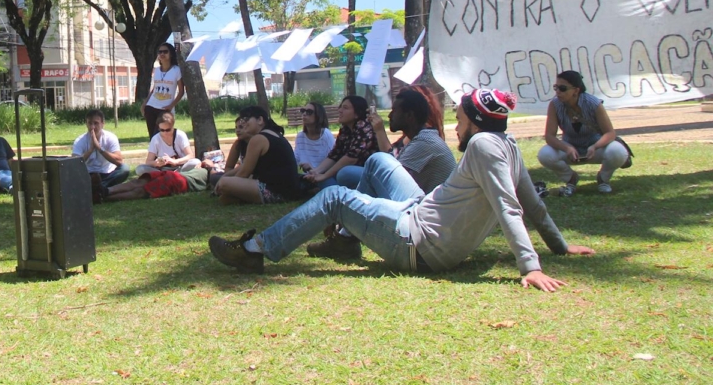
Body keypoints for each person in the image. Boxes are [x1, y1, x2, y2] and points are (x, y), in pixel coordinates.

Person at [208, 89, 596, 292]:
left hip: (418, 243)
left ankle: (255, 251)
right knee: (379, 162)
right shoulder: (507, 145)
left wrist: (531, 267)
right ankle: (345, 239)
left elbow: (512, 208)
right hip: (421, 213)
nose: (456, 129)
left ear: (475, 123)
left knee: (334, 196)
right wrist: (559, 246)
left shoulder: (481, 147)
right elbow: (533, 205)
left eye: (459, 121)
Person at [306, 88, 457, 259]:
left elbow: (386, 177)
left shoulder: (425, 142)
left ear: (409, 115)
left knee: (360, 169)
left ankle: (343, 235)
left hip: (428, 225)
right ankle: (344, 236)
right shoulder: (419, 138)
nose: (390, 116)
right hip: (427, 215)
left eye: (395, 110)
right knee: (344, 179)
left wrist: (348, 210)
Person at [537, 70, 630, 195]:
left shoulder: (593, 103)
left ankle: (603, 179)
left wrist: (595, 146)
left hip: (595, 148)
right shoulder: (554, 105)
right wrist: (567, 148)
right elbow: (549, 136)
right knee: (545, 154)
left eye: (562, 88)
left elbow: (610, 133)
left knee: (617, 151)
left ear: (576, 90)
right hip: (571, 149)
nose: (558, 92)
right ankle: (571, 179)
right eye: (556, 87)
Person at [213, 106, 303, 205]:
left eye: (246, 119)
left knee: (224, 184)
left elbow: (243, 174)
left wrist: (230, 186)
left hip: (276, 192)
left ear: (260, 120)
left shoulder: (258, 139)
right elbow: (245, 169)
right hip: (289, 191)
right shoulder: (273, 134)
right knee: (225, 189)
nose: (243, 123)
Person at [302, 96, 379, 190]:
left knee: (344, 172)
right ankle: (338, 195)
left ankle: (339, 195)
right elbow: (335, 154)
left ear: (357, 114)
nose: (340, 110)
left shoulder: (365, 128)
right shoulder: (345, 129)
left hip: (370, 174)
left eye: (345, 108)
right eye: (340, 107)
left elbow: (351, 158)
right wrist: (316, 172)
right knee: (321, 178)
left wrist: (325, 175)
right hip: (351, 176)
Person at [73, 109, 132, 200]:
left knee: (125, 169)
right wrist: (90, 150)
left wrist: (100, 149)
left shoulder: (110, 137)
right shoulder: (80, 140)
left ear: (102, 124)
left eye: (96, 123)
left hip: (107, 173)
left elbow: (119, 161)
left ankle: (96, 190)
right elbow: (73, 164)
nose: (92, 127)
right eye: (90, 123)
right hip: (88, 174)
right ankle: (101, 190)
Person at [142, 42, 185, 138]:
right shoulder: (156, 70)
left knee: (161, 135)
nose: (162, 54)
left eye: (165, 51)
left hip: (165, 109)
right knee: (153, 137)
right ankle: (155, 153)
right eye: (160, 52)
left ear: (171, 54)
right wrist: (145, 104)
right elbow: (154, 89)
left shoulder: (176, 70)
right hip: (151, 107)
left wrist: (171, 106)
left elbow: (181, 91)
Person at [135, 111, 195, 175]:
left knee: (195, 162)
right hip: (162, 169)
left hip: (179, 167)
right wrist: (156, 163)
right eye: (162, 130)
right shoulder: (156, 139)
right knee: (140, 169)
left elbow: (190, 156)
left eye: (168, 130)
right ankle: (166, 175)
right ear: (158, 128)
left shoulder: (180, 135)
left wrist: (175, 161)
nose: (165, 133)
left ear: (173, 126)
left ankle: (171, 175)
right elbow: (148, 162)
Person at [105, 165, 209, 201]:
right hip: (177, 178)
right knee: (140, 187)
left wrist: (211, 166)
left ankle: (105, 194)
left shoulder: (215, 174)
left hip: (178, 179)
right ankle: (105, 193)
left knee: (140, 186)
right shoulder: (211, 169)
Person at [293, 102, 335, 174]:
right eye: (303, 111)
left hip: (323, 175)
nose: (304, 114)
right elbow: (296, 159)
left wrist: (314, 170)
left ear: (319, 116)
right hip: (304, 176)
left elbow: (333, 161)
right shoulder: (300, 136)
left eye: (309, 112)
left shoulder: (326, 135)